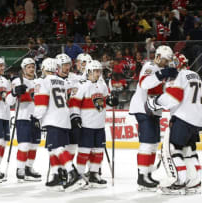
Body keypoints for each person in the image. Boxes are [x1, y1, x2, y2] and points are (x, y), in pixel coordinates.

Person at [146, 53, 202, 194]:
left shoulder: (180, 76)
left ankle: (180, 182)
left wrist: (155, 102)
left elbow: (173, 98)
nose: (171, 65)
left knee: (174, 149)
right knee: (190, 151)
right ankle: (196, 181)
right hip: (196, 119)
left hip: (183, 118)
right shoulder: (196, 75)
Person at [129, 45, 179, 191]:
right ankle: (142, 176)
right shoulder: (149, 66)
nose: (166, 63)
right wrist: (162, 73)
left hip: (153, 110)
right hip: (143, 109)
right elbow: (144, 84)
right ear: (157, 57)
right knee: (147, 143)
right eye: (165, 60)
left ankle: (148, 175)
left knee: (153, 143)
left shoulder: (161, 69)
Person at [33, 54, 83, 192]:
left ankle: (72, 173)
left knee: (57, 148)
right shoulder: (61, 81)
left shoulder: (42, 82)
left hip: (52, 118)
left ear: (43, 68)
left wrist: (35, 117)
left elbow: (41, 105)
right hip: (63, 118)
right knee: (52, 148)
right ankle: (57, 177)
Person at [69, 60, 118, 188]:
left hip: (99, 124)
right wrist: (75, 116)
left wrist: (112, 101)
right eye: (96, 71)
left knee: (99, 150)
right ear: (89, 71)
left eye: (99, 71)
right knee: (84, 151)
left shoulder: (102, 85)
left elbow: (105, 100)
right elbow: (74, 102)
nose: (98, 73)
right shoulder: (82, 85)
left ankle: (94, 174)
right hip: (86, 124)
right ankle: (79, 174)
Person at [6, 58, 42, 182]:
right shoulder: (18, 81)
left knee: (34, 144)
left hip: (36, 117)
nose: (32, 69)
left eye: (33, 66)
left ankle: (29, 168)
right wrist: (14, 92)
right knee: (24, 144)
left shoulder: (39, 82)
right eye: (28, 67)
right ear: (23, 69)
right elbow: (9, 101)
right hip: (22, 117)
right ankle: (20, 169)